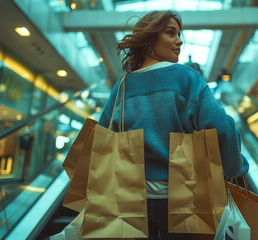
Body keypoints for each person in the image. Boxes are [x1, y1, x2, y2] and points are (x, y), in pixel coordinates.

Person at [98, 10, 249, 239]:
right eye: (170, 33)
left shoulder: (122, 86)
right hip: (186, 199)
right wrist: (234, 167)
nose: (179, 41)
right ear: (150, 38)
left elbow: (101, 140)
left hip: (130, 201)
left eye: (179, 34)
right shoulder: (186, 78)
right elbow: (222, 129)